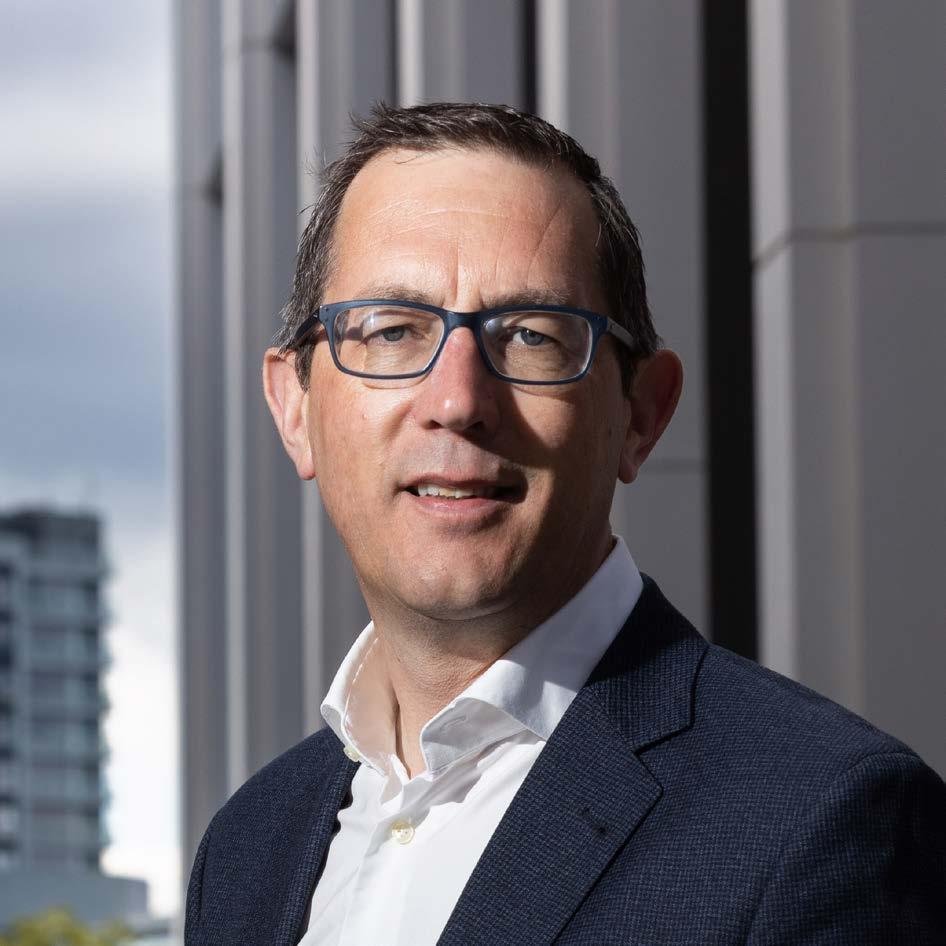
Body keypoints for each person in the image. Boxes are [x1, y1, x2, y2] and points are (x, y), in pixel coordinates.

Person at [184, 102, 945, 945]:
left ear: (641, 414)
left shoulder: (827, 820)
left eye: (531, 337)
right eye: (392, 330)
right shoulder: (246, 851)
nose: (458, 401)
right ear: (295, 408)